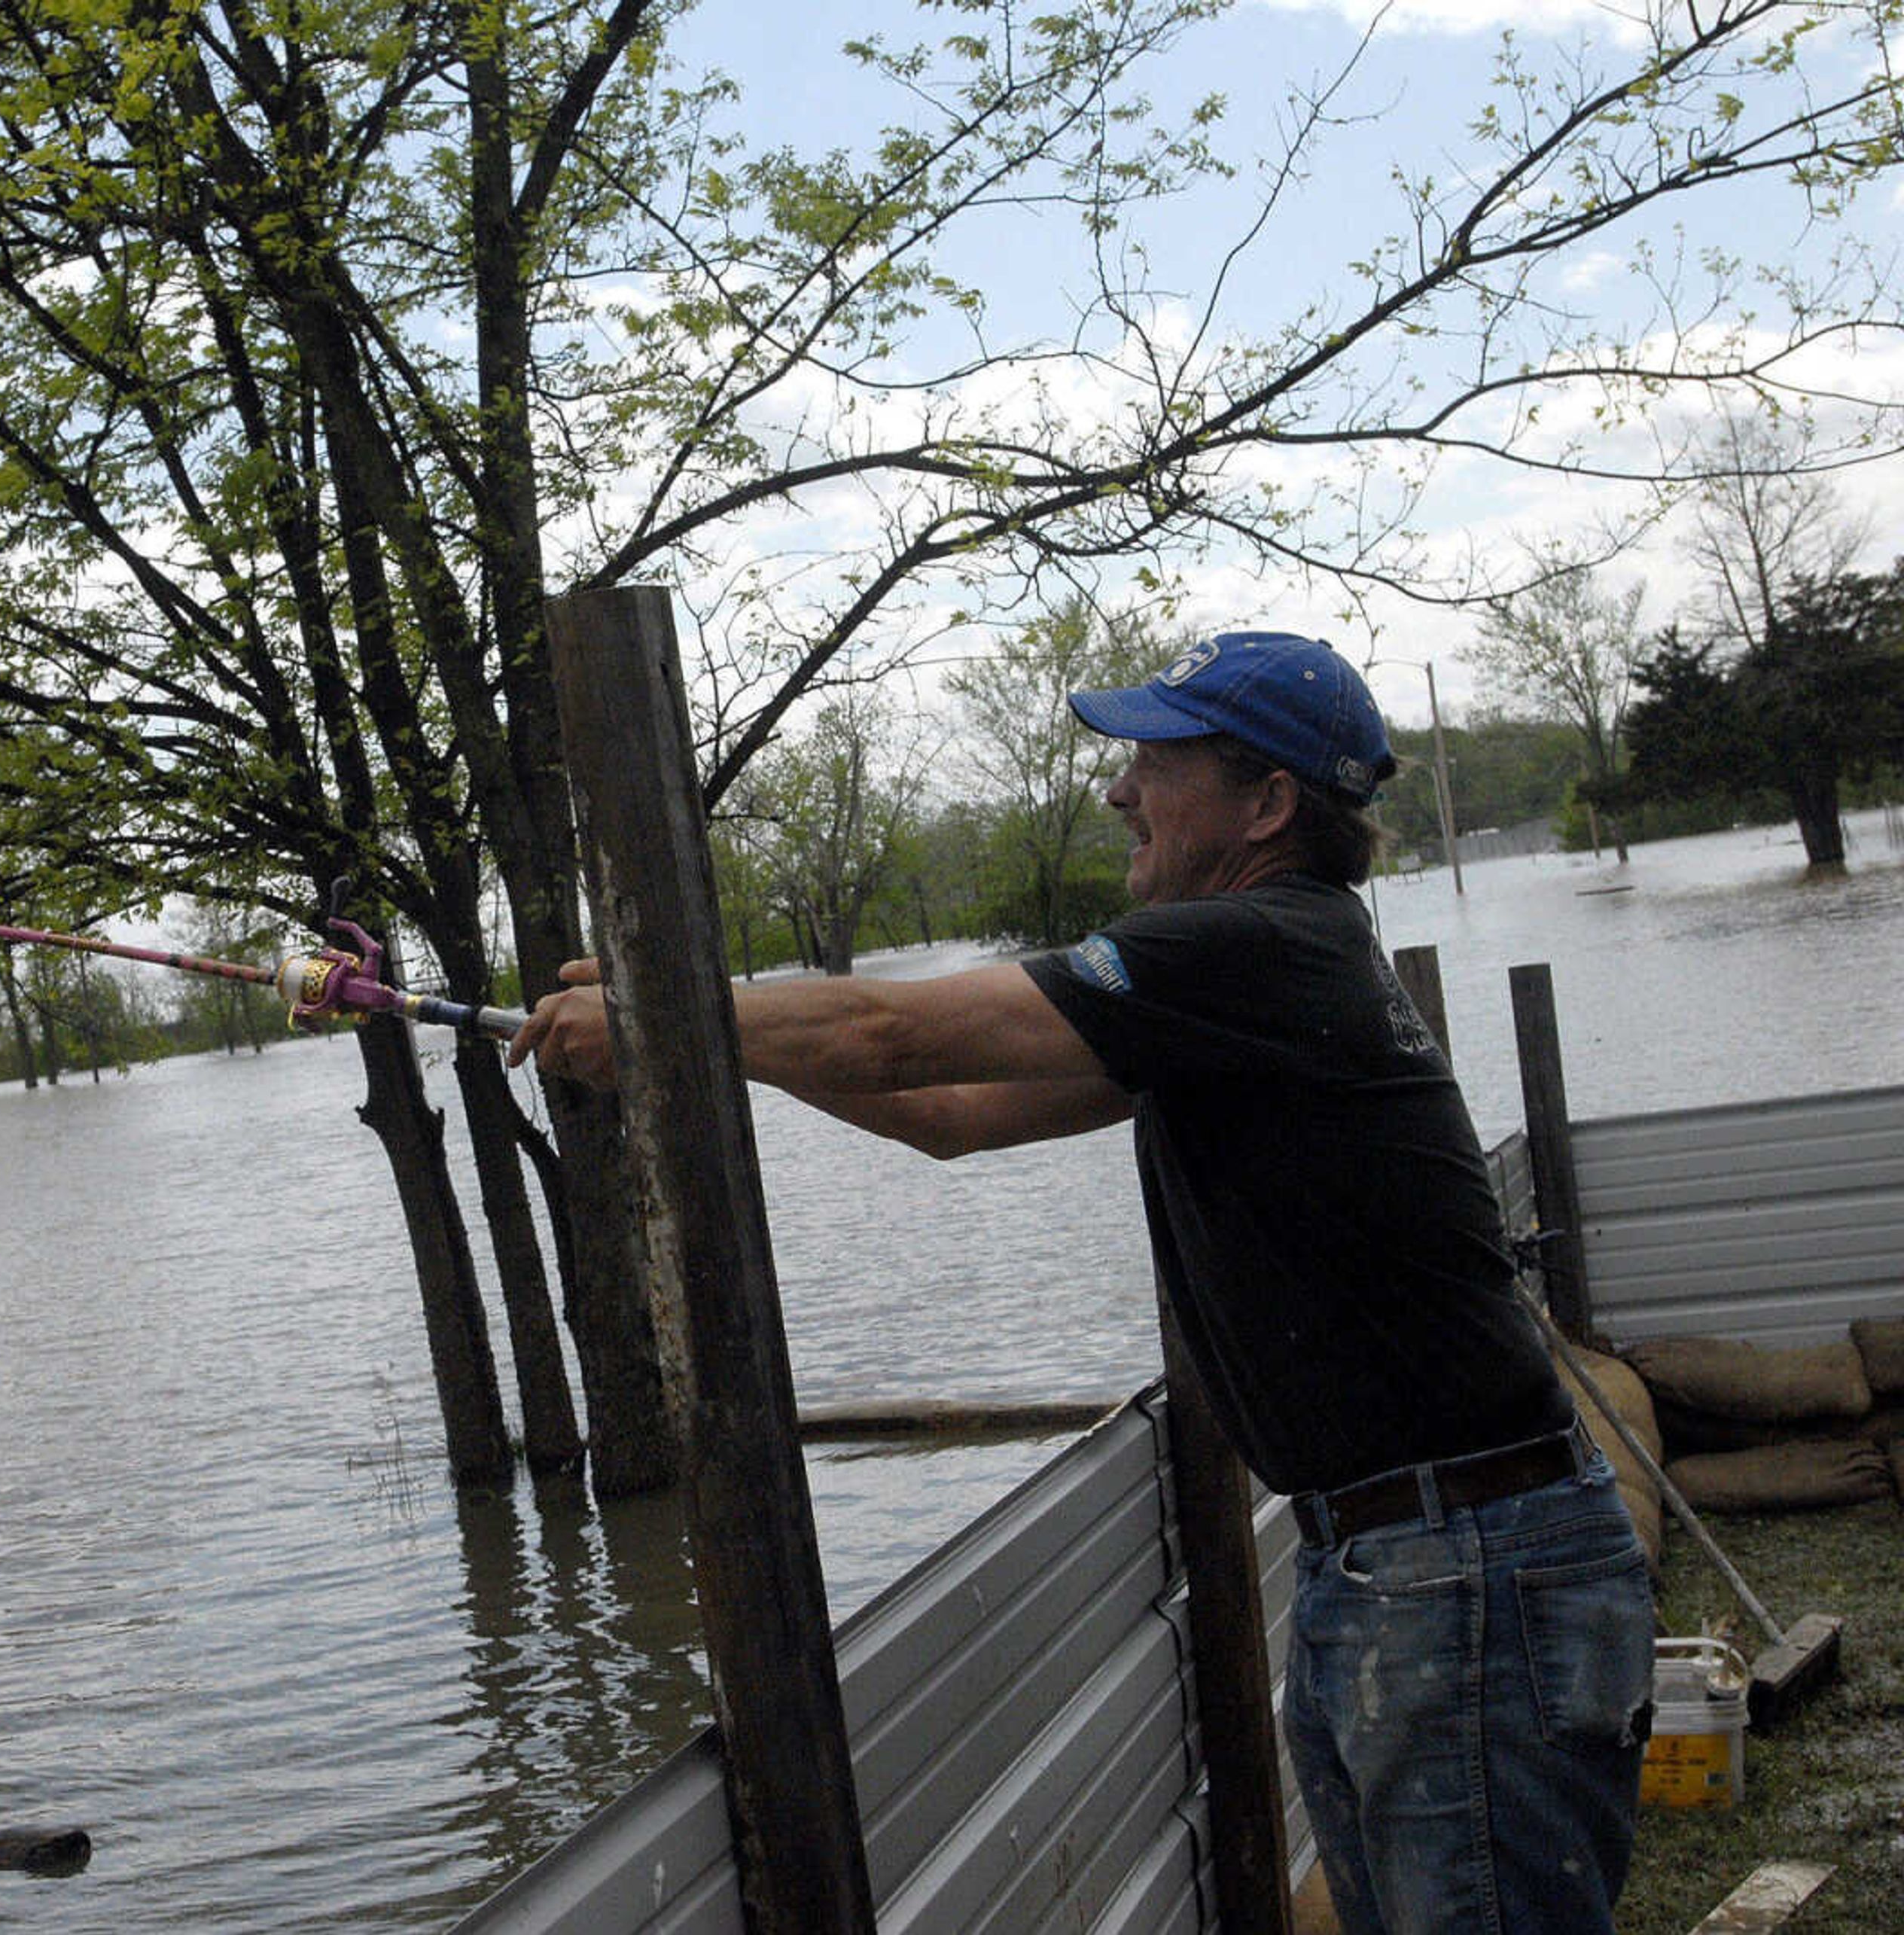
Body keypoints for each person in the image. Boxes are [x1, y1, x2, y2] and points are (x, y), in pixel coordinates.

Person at [511, 629, 1653, 1935]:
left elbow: (890, 1028)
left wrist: (668, 1013)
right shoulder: (1251, 979)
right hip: (1400, 1564)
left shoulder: (1254, 946)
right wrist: (714, 1035)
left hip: (1466, 1575)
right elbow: (945, 1106)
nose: (1117, 791)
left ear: (1267, 802)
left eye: (1152, 763)